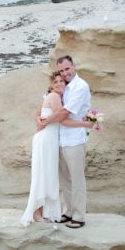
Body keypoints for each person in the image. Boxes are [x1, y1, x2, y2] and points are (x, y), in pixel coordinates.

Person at [21, 70, 97, 226]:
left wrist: (41, 120)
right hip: (47, 140)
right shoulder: (55, 97)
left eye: (62, 81)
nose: (59, 83)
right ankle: (37, 212)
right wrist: (86, 124)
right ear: (51, 85)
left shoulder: (58, 97)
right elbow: (62, 120)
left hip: (50, 140)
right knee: (43, 175)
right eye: (55, 82)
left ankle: (44, 211)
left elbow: (38, 113)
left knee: (46, 175)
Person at [36, 55, 92, 228]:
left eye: (67, 69)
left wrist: (44, 122)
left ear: (74, 67)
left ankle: (79, 215)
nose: (65, 73)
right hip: (60, 140)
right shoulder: (64, 87)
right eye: (61, 70)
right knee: (65, 180)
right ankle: (67, 212)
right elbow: (45, 104)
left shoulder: (80, 87)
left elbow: (64, 114)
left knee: (77, 179)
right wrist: (38, 117)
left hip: (75, 139)